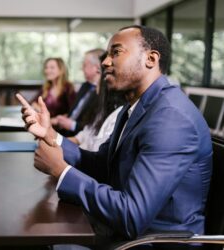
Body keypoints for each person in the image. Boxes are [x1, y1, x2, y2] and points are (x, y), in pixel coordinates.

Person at [17, 25, 212, 248]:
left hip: (152, 241)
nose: (105, 62)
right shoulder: (135, 108)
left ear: (150, 59)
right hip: (125, 232)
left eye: (116, 52)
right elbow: (104, 165)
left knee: (41, 234)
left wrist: (61, 171)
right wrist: (52, 135)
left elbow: (132, 216)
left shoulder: (171, 118)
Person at [69, 52, 126, 151]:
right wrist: (53, 139)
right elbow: (82, 137)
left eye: (99, 73)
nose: (95, 81)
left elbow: (95, 154)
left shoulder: (117, 115)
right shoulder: (102, 108)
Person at [51, 49, 104, 136]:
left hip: (81, 138)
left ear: (97, 67)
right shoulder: (85, 86)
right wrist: (62, 120)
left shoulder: (104, 93)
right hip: (64, 131)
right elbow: (74, 113)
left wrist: (72, 125)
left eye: (84, 65)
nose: (81, 69)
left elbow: (96, 128)